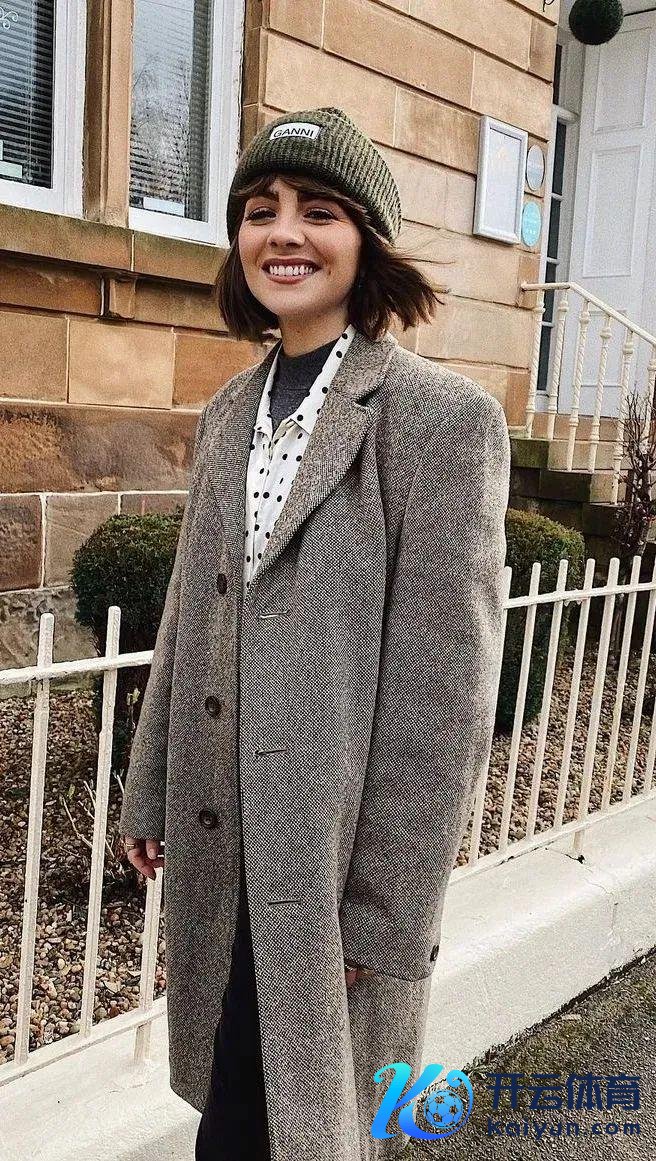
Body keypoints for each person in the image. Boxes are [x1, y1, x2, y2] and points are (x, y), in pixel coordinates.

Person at [120, 106, 510, 1161]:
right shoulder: (227, 412)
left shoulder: (441, 423)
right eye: (259, 210)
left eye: (318, 210)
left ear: (366, 241)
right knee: (234, 1094)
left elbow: (444, 698)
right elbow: (191, 611)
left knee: (304, 1122)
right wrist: (151, 782)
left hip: (327, 863)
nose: (282, 233)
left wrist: (382, 912)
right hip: (221, 831)